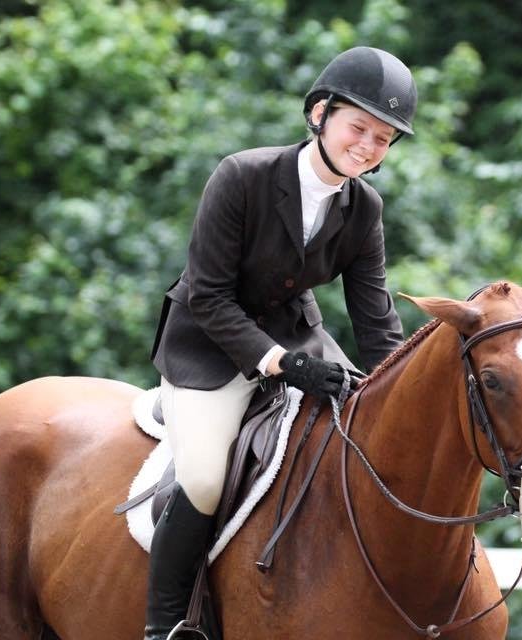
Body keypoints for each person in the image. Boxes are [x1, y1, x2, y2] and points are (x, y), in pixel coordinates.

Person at [144, 46, 417, 640]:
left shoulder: (364, 207)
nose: (369, 147)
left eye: (384, 138)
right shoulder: (242, 175)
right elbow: (210, 297)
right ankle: (164, 625)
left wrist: (400, 388)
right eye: (359, 128)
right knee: (204, 477)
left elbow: (375, 320)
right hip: (208, 349)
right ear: (320, 114)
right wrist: (278, 363)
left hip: (301, 342)